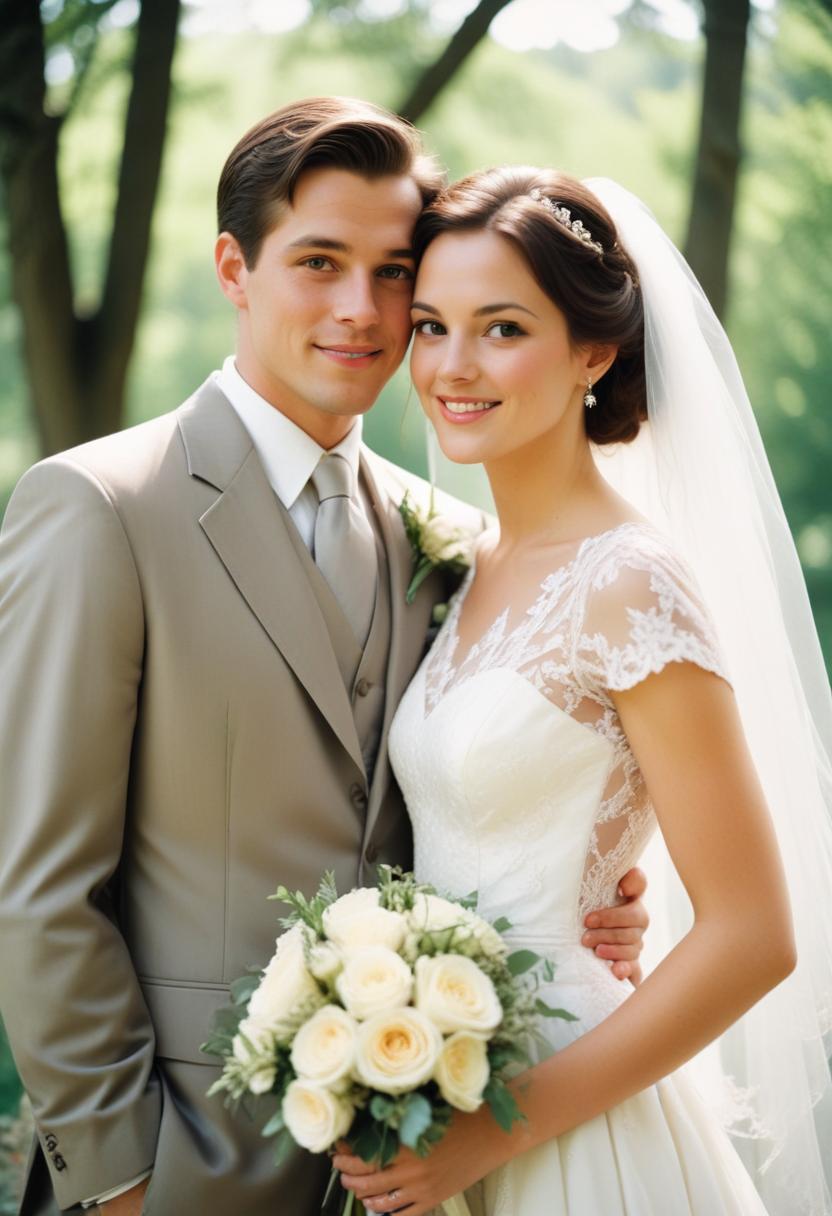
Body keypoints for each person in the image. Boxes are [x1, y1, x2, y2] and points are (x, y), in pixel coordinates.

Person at [0, 102, 650, 1216]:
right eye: (318, 262)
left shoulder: (440, 534)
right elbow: (40, 888)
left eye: (394, 272)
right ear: (234, 268)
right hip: (188, 1161)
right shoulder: (99, 506)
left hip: (417, 1148)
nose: (361, 309)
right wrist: (124, 1183)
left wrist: (593, 888)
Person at [334, 168, 832, 1215]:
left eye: (501, 329)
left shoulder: (628, 581)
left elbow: (753, 933)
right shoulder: (465, 562)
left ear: (593, 353)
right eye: (430, 326)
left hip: (565, 1127)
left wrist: (490, 1134)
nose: (451, 367)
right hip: (439, 1084)